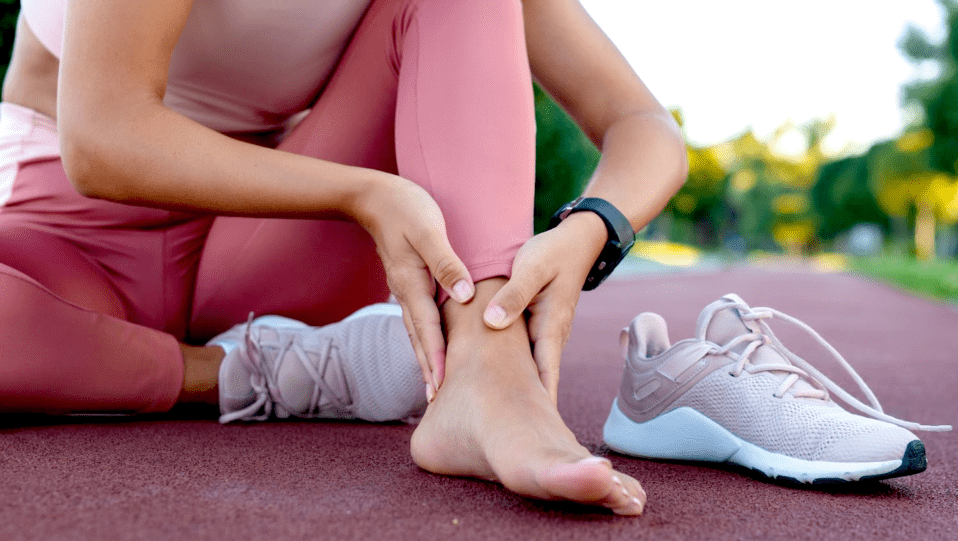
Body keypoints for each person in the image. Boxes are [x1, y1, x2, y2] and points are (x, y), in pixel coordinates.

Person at [0, 0, 688, 515]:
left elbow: (643, 123)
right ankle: (243, 371)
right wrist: (362, 192)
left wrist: (594, 224)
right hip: (62, 252)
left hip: (260, 241)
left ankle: (487, 376)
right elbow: (100, 139)